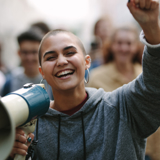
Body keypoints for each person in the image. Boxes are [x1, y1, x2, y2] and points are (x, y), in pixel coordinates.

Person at [8, 0, 160, 160]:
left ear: (87, 61)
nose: (61, 62)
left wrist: (152, 29)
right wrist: (9, 152)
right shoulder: (29, 125)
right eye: (51, 57)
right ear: (42, 72)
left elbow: (153, 85)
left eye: (69, 53)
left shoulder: (123, 107)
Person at [87, 26, 143, 91]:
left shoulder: (144, 75)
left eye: (129, 43)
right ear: (111, 45)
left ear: (137, 46)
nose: (124, 49)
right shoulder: (96, 77)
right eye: (119, 43)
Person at [1, 28, 44, 96]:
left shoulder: (51, 82)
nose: (29, 58)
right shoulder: (10, 83)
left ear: (41, 53)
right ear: (19, 53)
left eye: (34, 52)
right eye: (25, 52)